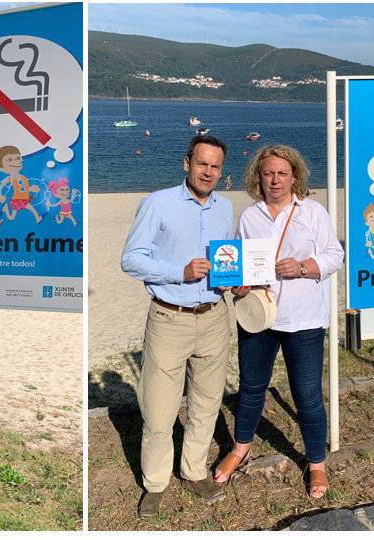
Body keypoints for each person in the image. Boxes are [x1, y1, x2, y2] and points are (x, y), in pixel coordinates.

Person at [213, 145, 343, 499]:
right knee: (252, 388)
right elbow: (236, 264)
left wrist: (302, 267)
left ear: (294, 176)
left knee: (307, 395)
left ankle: (316, 463)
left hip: (302, 320)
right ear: (258, 176)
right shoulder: (249, 216)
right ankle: (240, 449)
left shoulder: (312, 212)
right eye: (268, 173)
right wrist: (237, 285)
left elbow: (335, 255)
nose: (275, 179)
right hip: (258, 316)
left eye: (282, 173)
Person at [121, 134, 234, 517]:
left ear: (222, 170)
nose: (208, 172)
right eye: (202, 163)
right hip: (170, 317)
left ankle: (193, 470)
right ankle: (155, 483)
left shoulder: (226, 207)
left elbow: (227, 257)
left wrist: (234, 277)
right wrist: (178, 272)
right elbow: (131, 259)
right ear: (186, 163)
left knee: (206, 402)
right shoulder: (158, 203)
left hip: (216, 316)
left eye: (215, 166)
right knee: (158, 409)